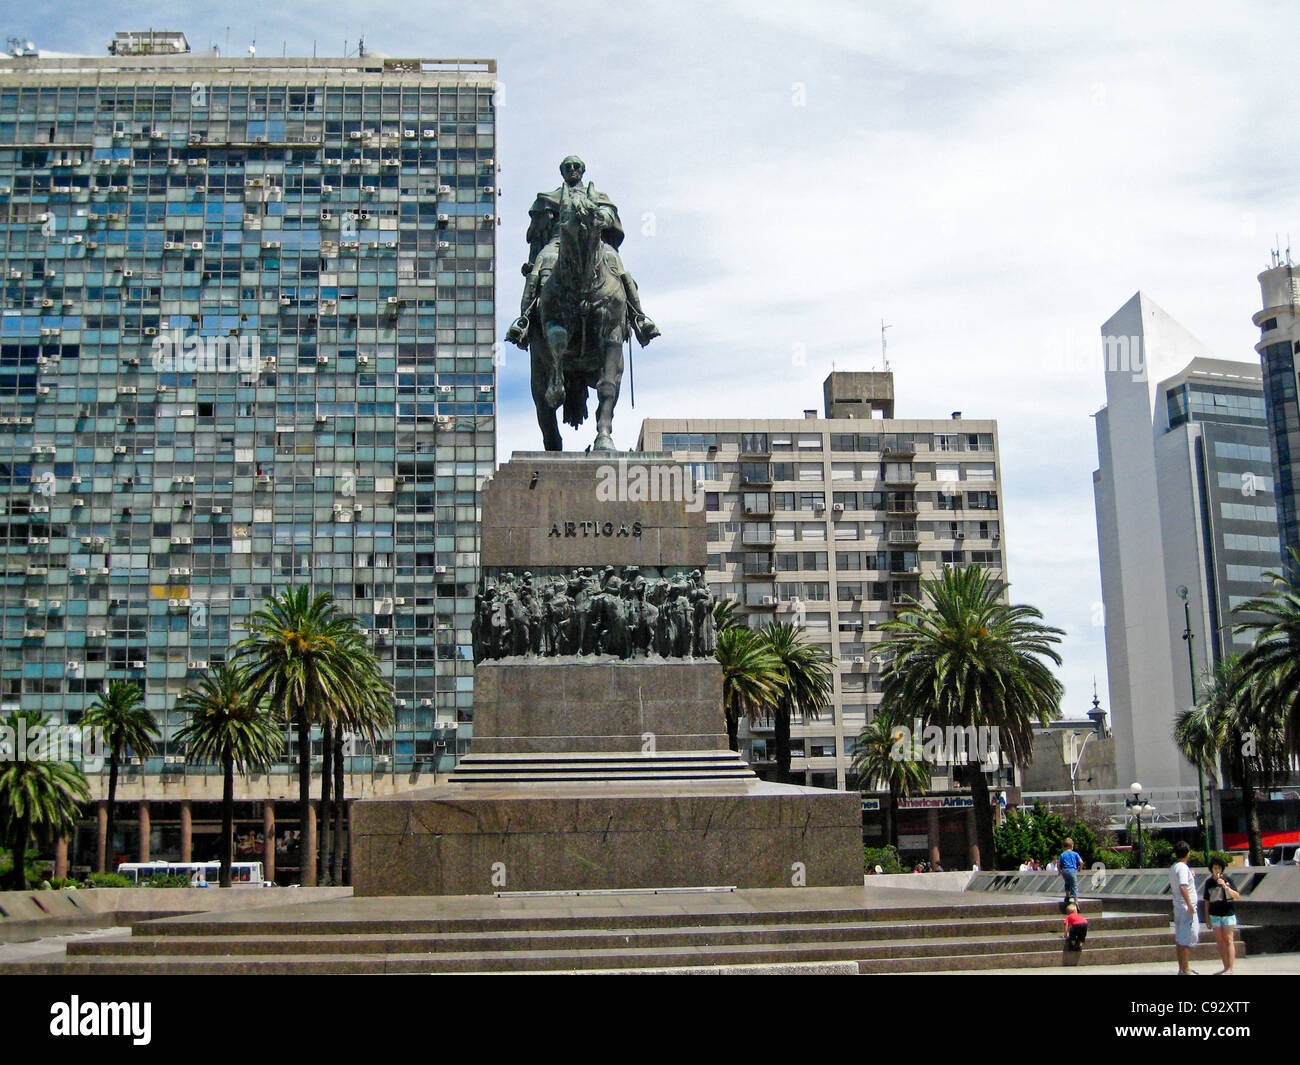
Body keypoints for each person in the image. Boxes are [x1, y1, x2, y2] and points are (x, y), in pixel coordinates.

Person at [505, 155, 659, 348]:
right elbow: (537, 233)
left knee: (615, 262)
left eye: (576, 165)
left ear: (582, 170)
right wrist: (532, 260)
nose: (572, 169)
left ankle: (639, 318)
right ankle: (524, 321)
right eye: (567, 166)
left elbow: (610, 216)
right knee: (543, 261)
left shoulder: (598, 196)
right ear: (562, 171)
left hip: (596, 242)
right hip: (557, 242)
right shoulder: (547, 199)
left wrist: (601, 217)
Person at [1201, 857, 1241, 975]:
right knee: (1220, 941)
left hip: (1227, 913)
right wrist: (1207, 918)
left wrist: (1225, 886)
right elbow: (1206, 901)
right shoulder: (1209, 883)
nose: (1217, 870)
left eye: (1219, 868)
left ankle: (1231, 968)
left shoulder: (1228, 880)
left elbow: (1237, 895)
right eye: (1214, 868)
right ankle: (1225, 966)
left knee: (1229, 939)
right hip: (1215, 914)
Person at [1170, 840, 1200, 974]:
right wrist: (1189, 905)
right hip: (1185, 907)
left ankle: (1182, 968)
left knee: (1180, 938)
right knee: (1186, 938)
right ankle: (1185, 969)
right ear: (1188, 853)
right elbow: (1183, 886)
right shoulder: (1182, 868)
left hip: (1179, 907)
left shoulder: (1175, 867)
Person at [1058, 838, 1081, 908]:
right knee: (1074, 885)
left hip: (1064, 870)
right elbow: (1081, 862)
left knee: (1067, 883)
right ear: (1071, 845)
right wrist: (1080, 868)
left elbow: (1058, 864)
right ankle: (1076, 901)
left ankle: (1067, 897)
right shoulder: (1075, 854)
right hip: (1072, 870)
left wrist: (1059, 871)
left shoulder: (1062, 854)